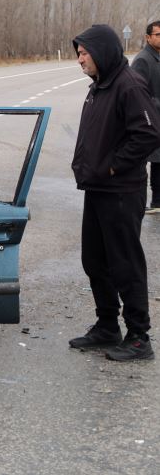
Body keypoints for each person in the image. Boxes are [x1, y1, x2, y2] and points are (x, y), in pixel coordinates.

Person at [68, 24, 160, 361]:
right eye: (78, 54)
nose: (79, 60)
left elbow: (149, 134)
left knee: (125, 264)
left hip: (120, 190)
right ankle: (107, 325)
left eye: (83, 53)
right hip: (98, 189)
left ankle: (139, 336)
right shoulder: (101, 85)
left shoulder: (129, 85)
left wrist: (113, 166)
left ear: (101, 51)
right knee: (94, 260)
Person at [131, 20, 160, 213]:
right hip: (150, 118)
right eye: (157, 34)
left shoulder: (157, 57)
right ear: (148, 37)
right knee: (153, 160)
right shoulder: (143, 60)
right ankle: (155, 201)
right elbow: (137, 93)